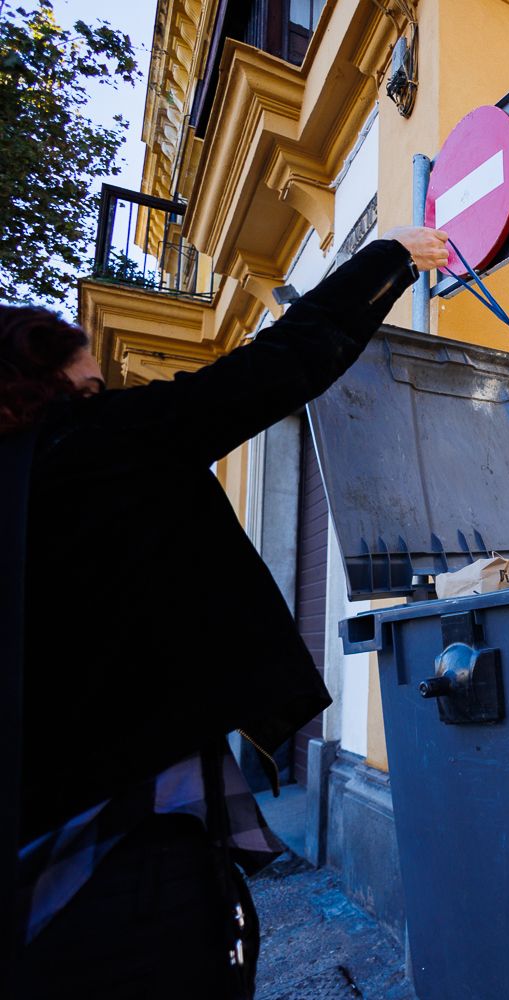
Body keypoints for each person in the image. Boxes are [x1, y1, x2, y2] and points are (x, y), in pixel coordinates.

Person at [1, 227, 450, 999]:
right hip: (119, 850)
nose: (104, 391)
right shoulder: (92, 446)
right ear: (54, 381)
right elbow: (273, 368)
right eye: (93, 384)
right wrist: (394, 254)